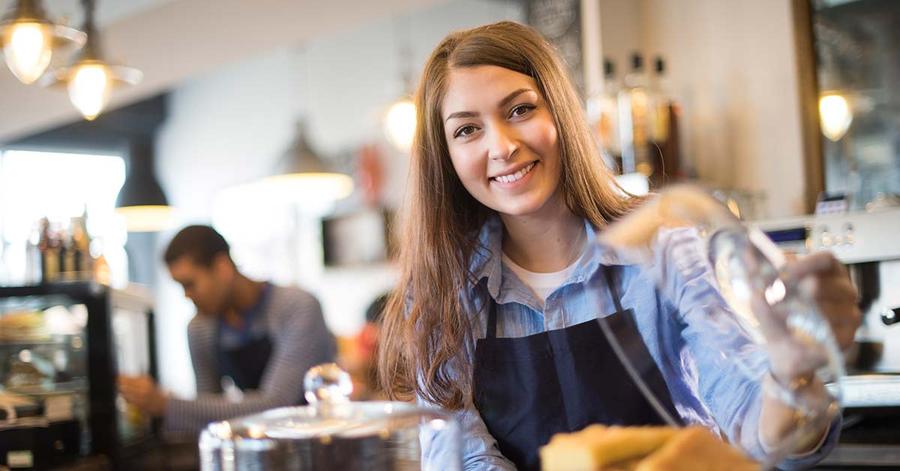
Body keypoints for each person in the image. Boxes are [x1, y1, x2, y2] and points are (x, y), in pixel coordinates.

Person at [377, 21, 861, 470]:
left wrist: (791, 372)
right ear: (445, 158)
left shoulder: (664, 252)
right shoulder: (443, 292)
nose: (501, 146)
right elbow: (460, 459)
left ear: (560, 113)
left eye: (520, 109)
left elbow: (757, 427)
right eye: (467, 129)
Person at [118, 225, 337, 434]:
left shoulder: (296, 307)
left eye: (190, 284)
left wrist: (167, 405)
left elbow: (278, 405)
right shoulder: (200, 328)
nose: (186, 296)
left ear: (222, 267)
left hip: (317, 444)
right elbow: (207, 414)